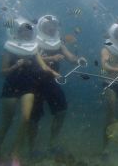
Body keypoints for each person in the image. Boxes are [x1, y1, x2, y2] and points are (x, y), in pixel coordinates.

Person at [0, 17, 59, 165]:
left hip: (28, 84)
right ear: (18, 31)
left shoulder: (33, 47)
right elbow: (2, 72)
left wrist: (54, 74)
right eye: (23, 30)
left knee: (26, 118)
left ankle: (15, 153)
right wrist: (16, 66)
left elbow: (43, 66)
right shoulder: (9, 47)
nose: (26, 33)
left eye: (29, 30)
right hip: (11, 83)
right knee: (7, 122)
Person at [29, 15, 87, 153]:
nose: (52, 28)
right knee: (34, 117)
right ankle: (32, 148)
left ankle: (52, 144)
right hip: (34, 82)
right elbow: (32, 59)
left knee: (61, 111)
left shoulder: (58, 42)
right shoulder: (34, 41)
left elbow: (70, 57)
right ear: (41, 27)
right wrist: (52, 57)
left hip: (51, 81)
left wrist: (78, 60)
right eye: (48, 26)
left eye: (54, 25)